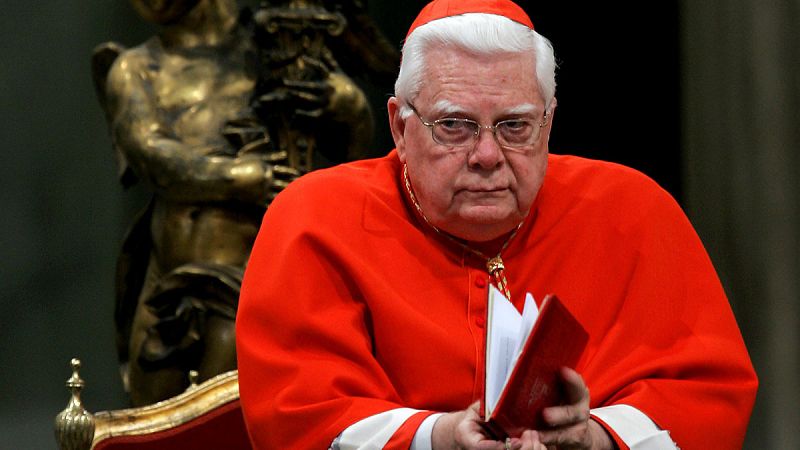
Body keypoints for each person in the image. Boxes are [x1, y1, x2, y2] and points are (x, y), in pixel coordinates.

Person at [235, 0, 758, 449]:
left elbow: (707, 395)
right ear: (399, 125)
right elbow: (296, 414)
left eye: (514, 126)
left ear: (548, 122)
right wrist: (438, 436)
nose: (487, 155)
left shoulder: (633, 210)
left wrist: (595, 435)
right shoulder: (315, 219)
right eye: (455, 126)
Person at [97, 0, 372, 405]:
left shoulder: (273, 51)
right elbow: (151, 155)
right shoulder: (134, 69)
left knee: (224, 417)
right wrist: (241, 178)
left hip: (248, 281)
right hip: (165, 279)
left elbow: (354, 150)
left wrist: (345, 105)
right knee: (150, 418)